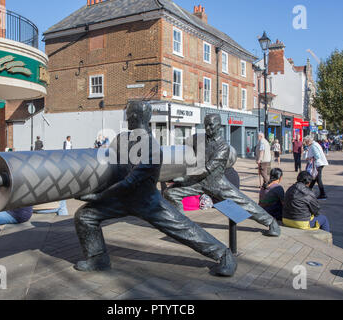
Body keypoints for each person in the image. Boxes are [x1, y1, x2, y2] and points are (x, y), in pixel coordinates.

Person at [74, 101, 237, 277]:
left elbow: (130, 182)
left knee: (183, 228)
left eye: (128, 115)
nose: (127, 117)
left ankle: (224, 254)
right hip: (123, 199)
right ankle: (98, 258)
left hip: (147, 201)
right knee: (85, 216)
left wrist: (97, 197)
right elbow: (112, 165)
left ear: (135, 117)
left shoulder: (152, 149)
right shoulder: (124, 139)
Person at [164, 114, 280, 237]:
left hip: (216, 183)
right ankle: (182, 227)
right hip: (198, 181)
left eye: (211, 125)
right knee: (170, 193)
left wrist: (185, 177)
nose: (208, 128)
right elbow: (185, 146)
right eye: (205, 125)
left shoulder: (223, 146)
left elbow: (208, 169)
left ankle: (271, 222)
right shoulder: (198, 138)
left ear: (219, 126)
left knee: (243, 202)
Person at [304, 136, 329, 200]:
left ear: (309, 141)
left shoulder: (313, 146)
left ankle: (323, 194)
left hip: (318, 164)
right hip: (319, 163)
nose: (305, 143)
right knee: (314, 178)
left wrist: (309, 158)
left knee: (317, 179)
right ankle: (308, 192)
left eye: (306, 142)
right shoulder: (315, 144)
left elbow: (317, 156)